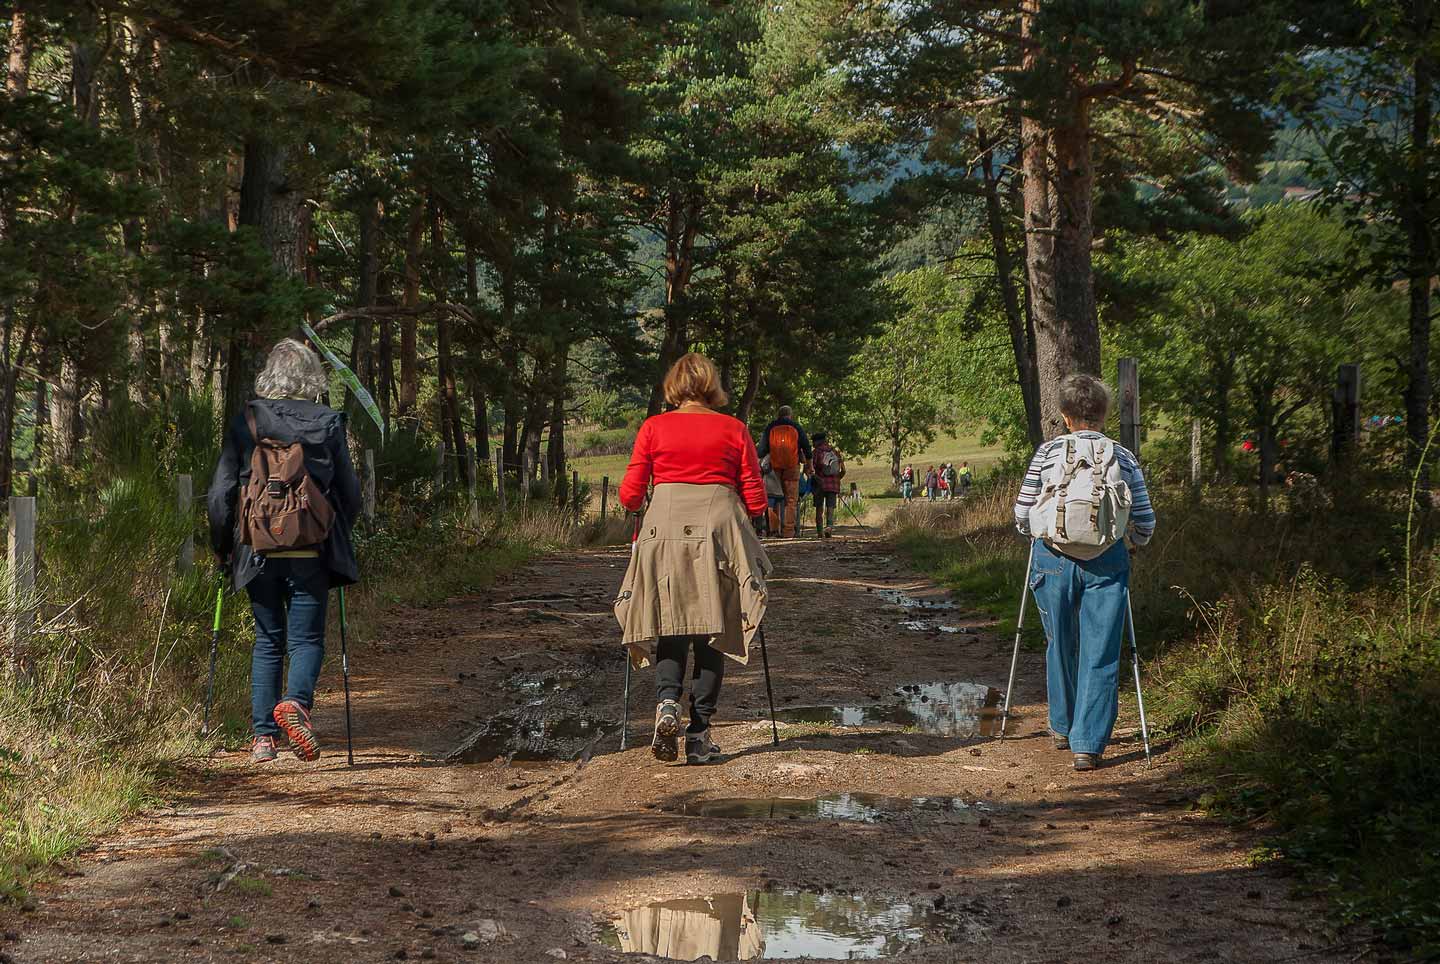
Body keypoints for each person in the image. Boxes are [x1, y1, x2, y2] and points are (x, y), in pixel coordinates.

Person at [207, 339, 362, 765]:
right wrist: (337, 534)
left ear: (270, 375)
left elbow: (220, 494)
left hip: (257, 551)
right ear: (311, 377)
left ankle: (262, 739)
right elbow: (350, 495)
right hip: (311, 550)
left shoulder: (246, 422)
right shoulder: (329, 422)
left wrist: (222, 550)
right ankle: (295, 703)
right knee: (308, 639)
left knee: (268, 640)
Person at [615, 353, 772, 765]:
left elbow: (630, 495)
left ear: (673, 387)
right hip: (718, 530)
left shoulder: (654, 427)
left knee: (669, 620)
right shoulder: (734, 429)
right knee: (713, 629)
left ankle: (667, 704)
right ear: (711, 386)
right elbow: (755, 499)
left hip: (663, 529)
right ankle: (699, 735)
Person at [1013, 373, 1156, 772]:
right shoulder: (1123, 457)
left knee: (1060, 641)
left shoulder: (1046, 454)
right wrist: (1133, 543)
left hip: (1052, 559)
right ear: (1105, 414)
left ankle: (1061, 725)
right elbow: (1145, 521)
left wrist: (1037, 534)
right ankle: (1087, 745)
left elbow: (1023, 514)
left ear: (1064, 415)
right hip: (1108, 561)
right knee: (1102, 650)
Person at [756, 405, 812, 537]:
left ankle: (774, 530)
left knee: (773, 498)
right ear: (790, 415)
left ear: (778, 415)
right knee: (791, 500)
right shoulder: (796, 427)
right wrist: (809, 465)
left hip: (774, 469)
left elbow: (761, 450)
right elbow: (807, 448)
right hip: (792, 467)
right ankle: (788, 532)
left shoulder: (771, 427)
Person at [809, 432, 846, 538]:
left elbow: (811, 469)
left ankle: (820, 532)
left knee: (819, 508)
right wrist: (837, 479)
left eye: (813, 442)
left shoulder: (815, 452)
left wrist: (815, 479)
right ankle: (829, 527)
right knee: (830, 508)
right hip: (833, 485)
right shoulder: (835, 452)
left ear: (817, 441)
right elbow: (843, 470)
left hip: (819, 484)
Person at [761, 454, 785, 536]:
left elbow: (764, 468)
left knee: (770, 509)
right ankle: (777, 530)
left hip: (769, 487)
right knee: (776, 509)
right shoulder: (783, 455)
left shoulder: (767, 456)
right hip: (779, 486)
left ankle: (773, 530)